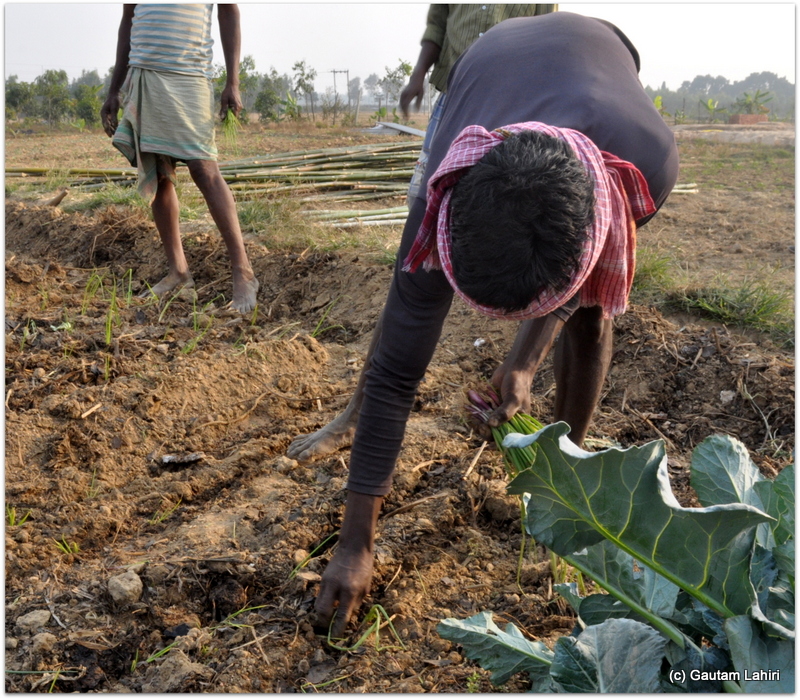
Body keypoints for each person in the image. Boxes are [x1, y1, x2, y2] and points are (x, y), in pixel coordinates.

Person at [288, 12, 679, 636]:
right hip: (490, 61)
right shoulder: (451, 175)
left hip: (605, 57)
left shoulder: (647, 165)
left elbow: (577, 288)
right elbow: (394, 372)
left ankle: (563, 481)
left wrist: (524, 360)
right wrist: (355, 543)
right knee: (406, 315)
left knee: (591, 321)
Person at [100, 4, 259, 313]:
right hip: (144, 73)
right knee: (158, 175)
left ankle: (244, 273)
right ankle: (179, 273)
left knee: (204, 169)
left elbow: (229, 11)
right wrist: (114, 89)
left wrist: (233, 81)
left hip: (189, 75)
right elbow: (128, 20)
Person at [400, 4, 557, 203]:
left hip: (508, 97)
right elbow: (437, 26)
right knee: (427, 182)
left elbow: (545, 34)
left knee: (502, 184)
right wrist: (418, 74)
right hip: (455, 92)